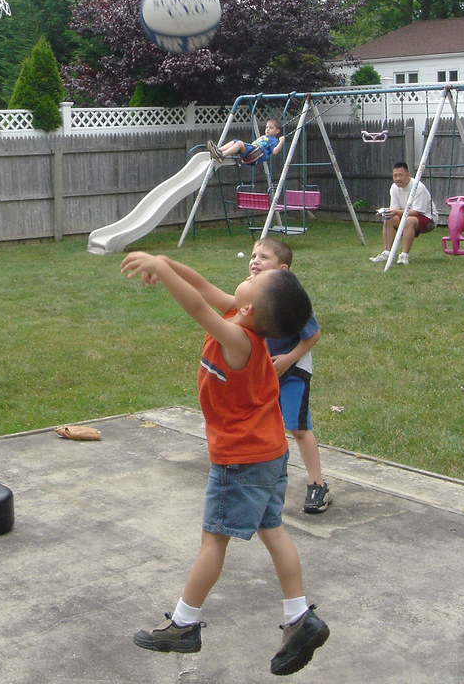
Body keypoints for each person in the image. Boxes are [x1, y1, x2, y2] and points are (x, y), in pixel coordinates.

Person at [120, 250, 329, 676]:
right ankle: (298, 617)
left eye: (258, 277)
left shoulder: (239, 341)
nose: (251, 273)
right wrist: (165, 262)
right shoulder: (241, 314)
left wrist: (160, 269)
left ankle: (184, 623)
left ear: (250, 306)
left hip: (242, 460)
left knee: (214, 541)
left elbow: (196, 306)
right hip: (269, 452)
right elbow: (199, 285)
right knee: (273, 528)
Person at [248, 238, 331, 514]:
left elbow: (313, 335)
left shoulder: (289, 296)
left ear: (283, 269)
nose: (255, 260)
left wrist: (287, 360)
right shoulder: (250, 291)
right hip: (266, 370)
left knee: (298, 427)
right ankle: (265, 477)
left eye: (263, 257)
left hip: (294, 369)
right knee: (264, 424)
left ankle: (317, 484)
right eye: (253, 255)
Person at [370, 161, 439, 265]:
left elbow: (416, 212)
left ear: (408, 175)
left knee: (409, 220)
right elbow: (395, 209)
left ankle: (404, 256)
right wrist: (386, 212)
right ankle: (387, 253)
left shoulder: (418, 187)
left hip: (427, 219)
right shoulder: (394, 188)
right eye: (395, 175)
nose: (397, 178)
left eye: (401, 175)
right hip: (406, 216)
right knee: (388, 218)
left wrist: (396, 212)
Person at [208, 118, 285, 166]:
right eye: (266, 127)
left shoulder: (274, 140)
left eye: (271, 128)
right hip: (251, 151)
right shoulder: (265, 137)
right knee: (235, 141)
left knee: (239, 143)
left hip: (256, 154)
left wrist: (281, 141)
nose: (267, 129)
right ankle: (218, 150)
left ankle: (222, 155)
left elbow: (275, 152)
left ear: (277, 131)